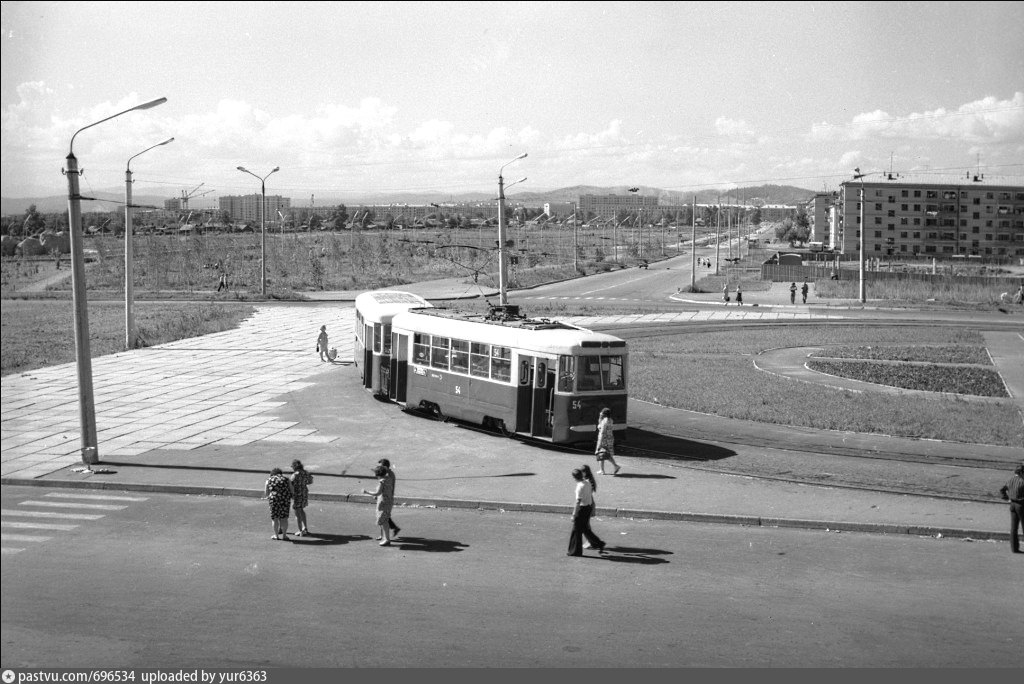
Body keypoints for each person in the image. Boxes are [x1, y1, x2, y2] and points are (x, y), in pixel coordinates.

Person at [567, 468, 606, 557]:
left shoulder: (579, 487)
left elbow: (578, 502)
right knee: (585, 529)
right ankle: (598, 543)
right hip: (588, 508)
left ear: (574, 477)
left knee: (576, 531)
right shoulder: (588, 483)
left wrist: (574, 514)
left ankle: (575, 551)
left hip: (581, 509)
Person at [362, 465, 395, 546]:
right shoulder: (389, 479)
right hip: (388, 502)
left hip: (383, 503)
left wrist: (367, 492)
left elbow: (378, 493)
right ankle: (385, 537)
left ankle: (387, 539)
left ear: (377, 474)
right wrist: (387, 470)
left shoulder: (382, 481)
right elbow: (392, 475)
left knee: (383, 521)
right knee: (385, 520)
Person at [998, 463, 1024, 554]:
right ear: (1021, 472)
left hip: (1012, 505)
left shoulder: (1010, 480)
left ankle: (1014, 548)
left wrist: (1007, 498)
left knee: (1014, 528)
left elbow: (1002, 490)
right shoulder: (1022, 481)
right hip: (1021, 505)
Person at [263, 467, 293, 540]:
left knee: (275, 519)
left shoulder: (268, 480)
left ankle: (276, 535)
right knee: (284, 518)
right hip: (285, 500)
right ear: (280, 473)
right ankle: (284, 535)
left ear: (272, 474)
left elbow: (266, 493)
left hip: (274, 501)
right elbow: (292, 490)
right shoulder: (286, 479)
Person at [377, 458, 401, 539]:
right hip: (383, 498)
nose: (380, 468)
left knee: (383, 517)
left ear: (386, 466)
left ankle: (389, 532)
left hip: (387, 498)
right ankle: (385, 533)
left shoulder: (390, 475)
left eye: (381, 466)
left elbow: (391, 487)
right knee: (382, 516)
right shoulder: (384, 474)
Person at [290, 459, 314, 536]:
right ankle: (305, 528)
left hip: (297, 494)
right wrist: (304, 483)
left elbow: (290, 485)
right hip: (304, 493)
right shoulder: (306, 473)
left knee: (297, 512)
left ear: (294, 466)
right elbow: (310, 481)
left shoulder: (294, 475)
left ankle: (300, 530)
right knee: (302, 510)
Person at [595, 407, 620, 475]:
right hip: (610, 438)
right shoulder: (610, 420)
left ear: (604, 414)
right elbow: (600, 424)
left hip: (604, 439)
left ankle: (613, 466)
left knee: (602, 454)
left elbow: (602, 432)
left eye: (602, 412)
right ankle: (604, 469)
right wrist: (600, 417)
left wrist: (599, 444)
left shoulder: (604, 422)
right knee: (605, 454)